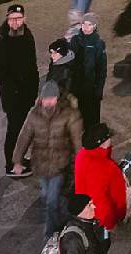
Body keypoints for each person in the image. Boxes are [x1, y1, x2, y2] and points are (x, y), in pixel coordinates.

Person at [18, 81, 84, 233]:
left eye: (51, 98)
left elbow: (77, 140)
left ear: (57, 98)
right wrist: (17, 160)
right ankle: (67, 220)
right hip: (41, 164)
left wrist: (81, 163)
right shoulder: (34, 114)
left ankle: (50, 233)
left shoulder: (69, 114)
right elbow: (24, 136)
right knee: (48, 198)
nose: (48, 102)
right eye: (45, 98)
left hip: (59, 165)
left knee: (51, 201)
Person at [0, 7, 39, 176]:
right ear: (7, 20)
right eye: (12, 19)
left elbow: (32, 65)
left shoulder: (28, 37)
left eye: (18, 18)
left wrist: (33, 89)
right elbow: (0, 75)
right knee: (14, 130)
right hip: (13, 97)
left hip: (27, 94)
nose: (15, 22)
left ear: (24, 18)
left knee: (22, 130)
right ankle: (11, 164)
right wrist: (17, 90)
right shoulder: (1, 44)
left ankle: (18, 159)